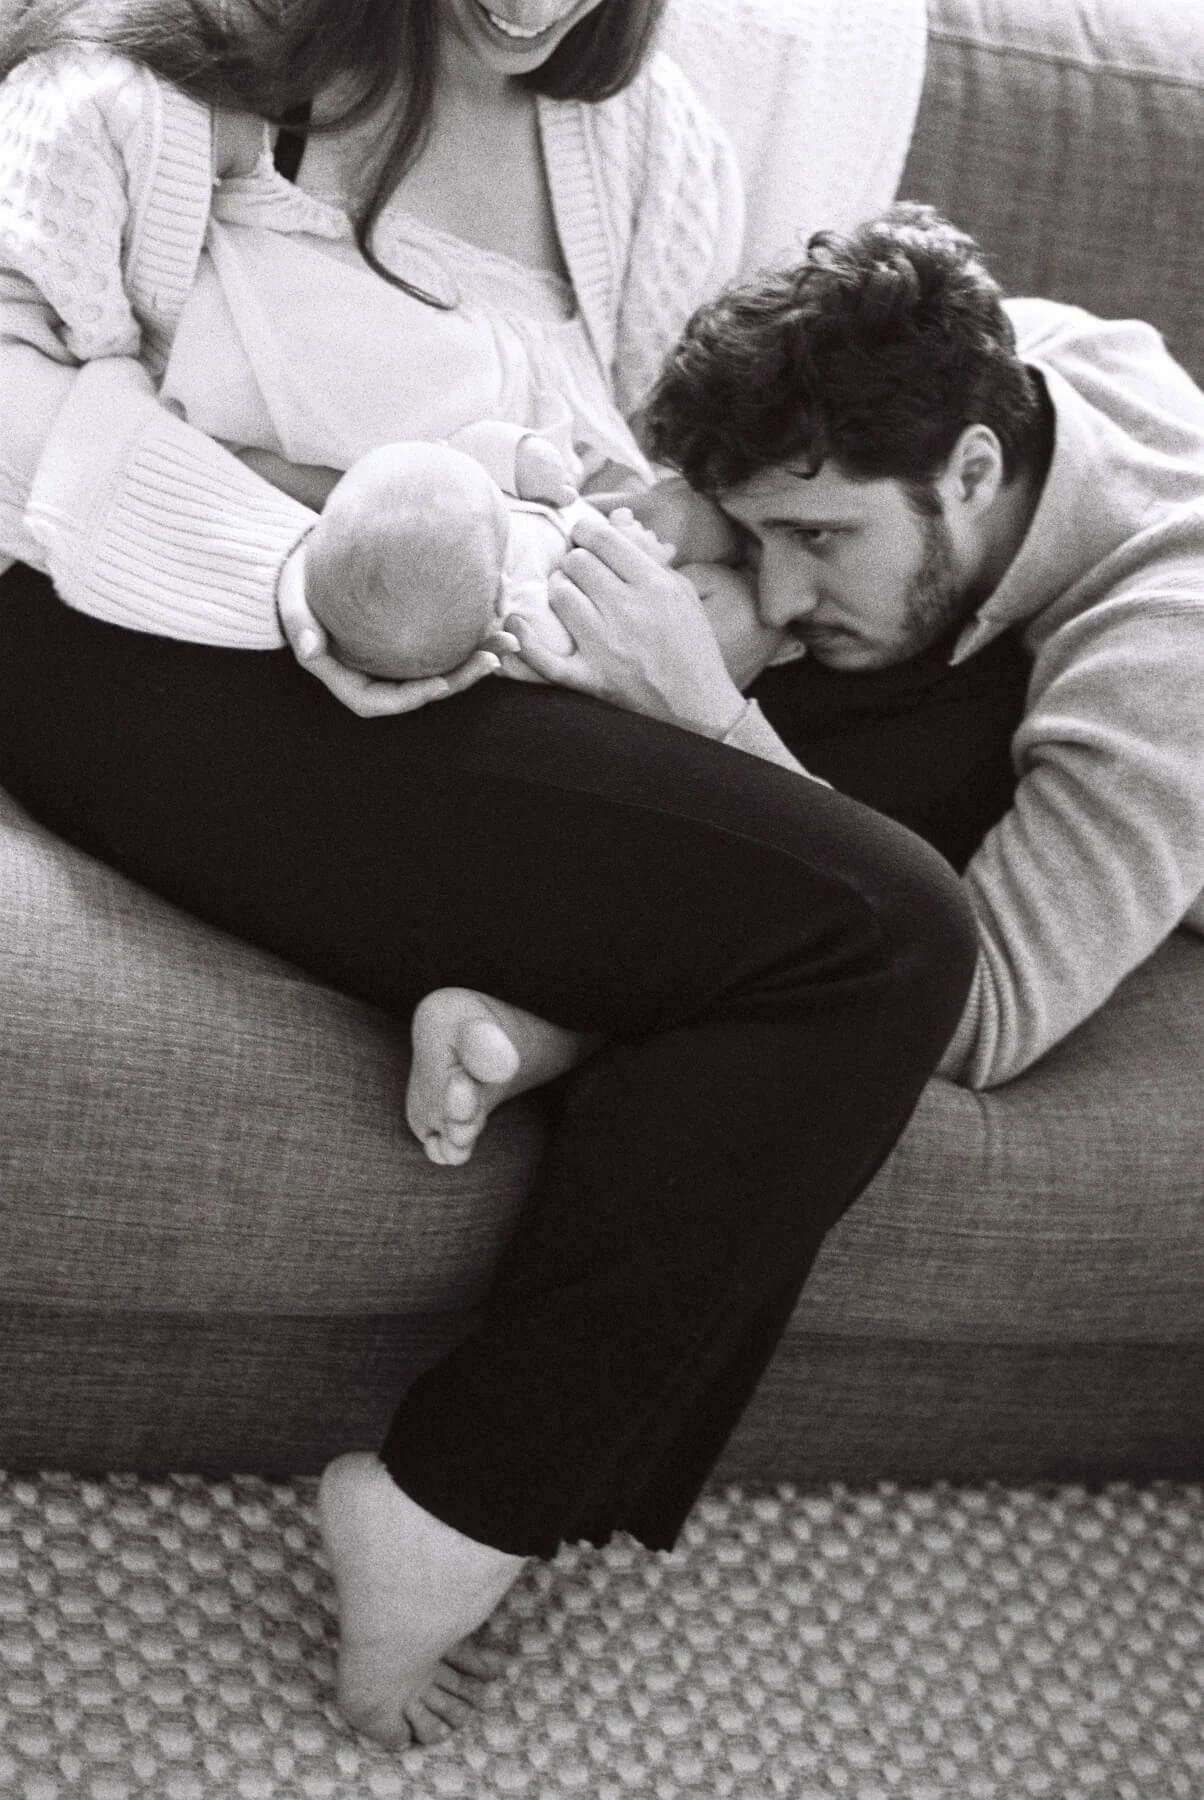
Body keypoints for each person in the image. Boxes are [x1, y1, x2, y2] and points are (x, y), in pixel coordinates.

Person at [0, 3, 977, 1756]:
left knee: (894, 842)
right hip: (151, 635)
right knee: (880, 933)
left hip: (482, 652)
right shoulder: (157, 81)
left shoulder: (643, 146)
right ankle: (457, 1507)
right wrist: (306, 573)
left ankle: (540, 1013)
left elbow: (658, 468)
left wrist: (654, 613)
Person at [475, 201, 1204, 1127]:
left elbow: (968, 1015)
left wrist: (711, 723)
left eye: (817, 536)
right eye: (759, 536)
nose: (782, 598)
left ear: (973, 475)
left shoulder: (1170, 654)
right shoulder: (1016, 363)